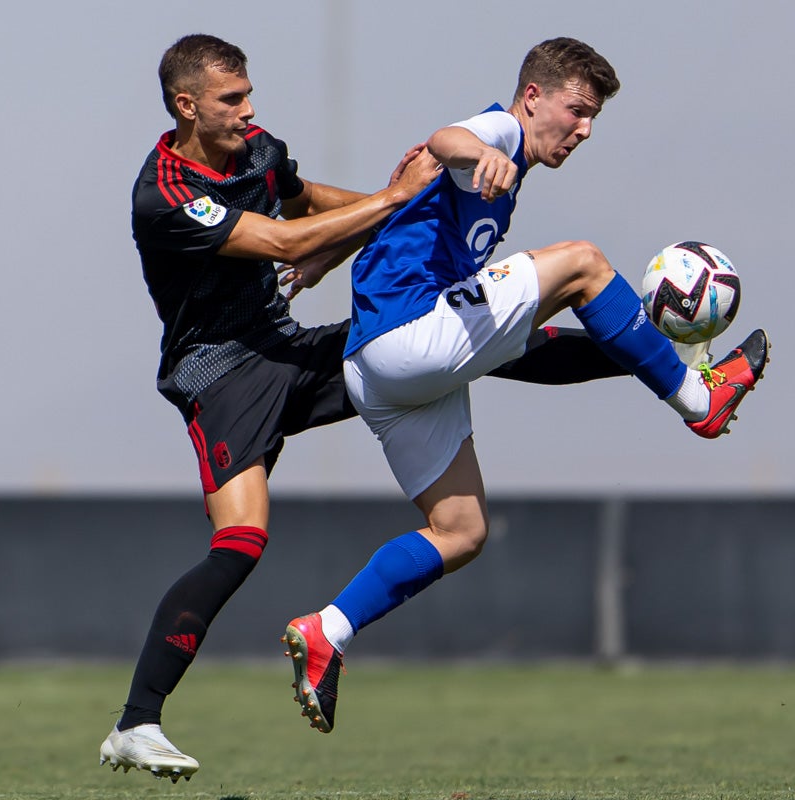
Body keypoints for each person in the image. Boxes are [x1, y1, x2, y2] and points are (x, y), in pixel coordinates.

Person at [101, 33, 631, 781]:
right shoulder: (163, 195)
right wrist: (393, 199)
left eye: (249, 93)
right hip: (219, 374)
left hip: (287, 348)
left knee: (460, 337)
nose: (249, 109)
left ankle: (643, 357)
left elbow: (306, 202)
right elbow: (287, 240)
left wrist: (410, 218)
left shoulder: (257, 149)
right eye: (232, 99)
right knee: (243, 541)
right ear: (186, 105)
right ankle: (136, 723)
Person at [281, 36, 769, 735]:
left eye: (594, 118)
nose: (584, 130)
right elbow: (449, 137)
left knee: (461, 530)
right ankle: (698, 398)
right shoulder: (500, 131)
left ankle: (329, 630)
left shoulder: (504, 176)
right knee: (583, 264)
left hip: (376, 374)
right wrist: (476, 150)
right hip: (405, 336)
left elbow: (404, 205)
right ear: (534, 96)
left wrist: (328, 253)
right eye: (576, 110)